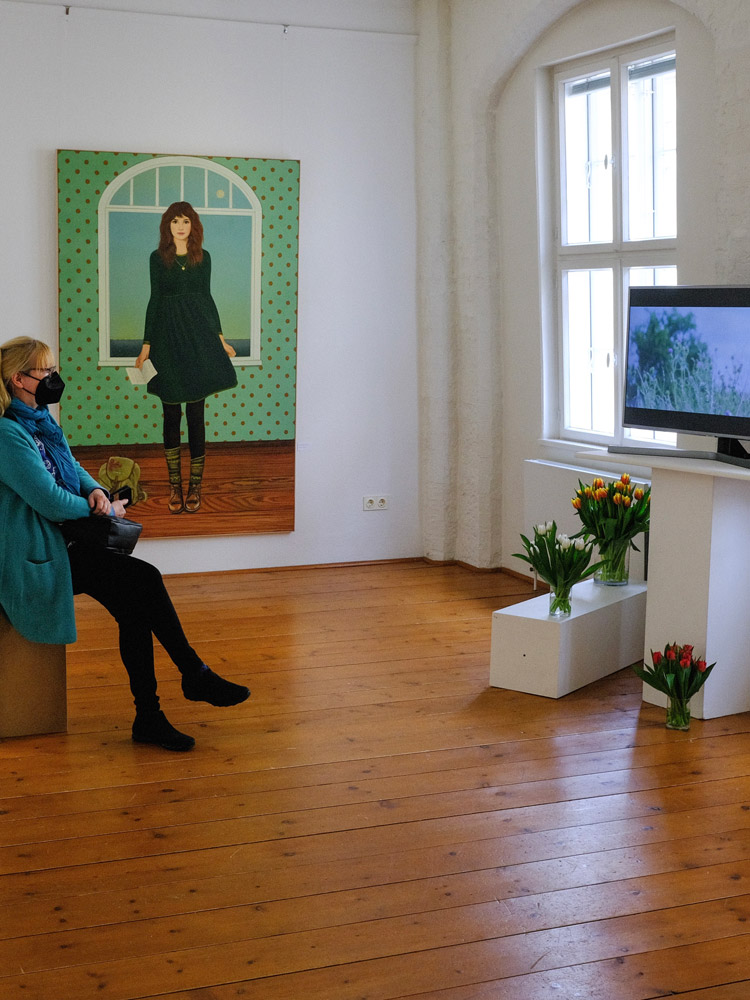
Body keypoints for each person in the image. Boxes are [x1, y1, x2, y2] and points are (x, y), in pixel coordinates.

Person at [0, 336, 249, 751]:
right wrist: (102, 509)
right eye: (46, 371)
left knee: (135, 604)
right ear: (18, 379)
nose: (54, 377)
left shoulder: (41, 420)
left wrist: (96, 490)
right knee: (143, 579)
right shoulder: (8, 434)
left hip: (63, 542)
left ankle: (153, 713)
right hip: (36, 553)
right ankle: (192, 675)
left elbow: (72, 466)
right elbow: (49, 499)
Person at [135, 201, 237, 514]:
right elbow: (154, 299)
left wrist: (220, 339)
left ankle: (195, 485)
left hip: (197, 338)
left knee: (195, 412)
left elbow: (207, 298)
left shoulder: (203, 258)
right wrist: (146, 345)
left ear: (193, 226)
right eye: (175, 221)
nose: (181, 227)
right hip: (166, 340)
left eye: (186, 221)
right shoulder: (157, 258)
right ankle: (174, 486)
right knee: (170, 413)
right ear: (168, 225)